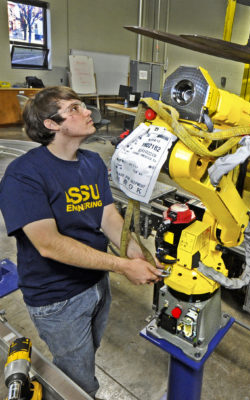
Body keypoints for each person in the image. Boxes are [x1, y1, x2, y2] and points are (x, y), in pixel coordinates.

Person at [0, 87, 162, 399]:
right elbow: (49, 244)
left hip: (97, 284)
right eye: (75, 108)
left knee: (86, 355)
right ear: (52, 124)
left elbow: (109, 218)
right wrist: (123, 266)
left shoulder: (92, 163)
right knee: (80, 382)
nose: (88, 111)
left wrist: (138, 254)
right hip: (57, 297)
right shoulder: (24, 175)